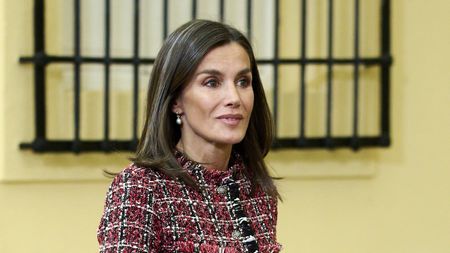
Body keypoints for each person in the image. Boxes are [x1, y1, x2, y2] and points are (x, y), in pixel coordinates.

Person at [97, 19, 282, 253]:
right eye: (212, 82)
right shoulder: (141, 188)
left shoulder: (256, 189)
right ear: (176, 101)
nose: (234, 98)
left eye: (243, 81)